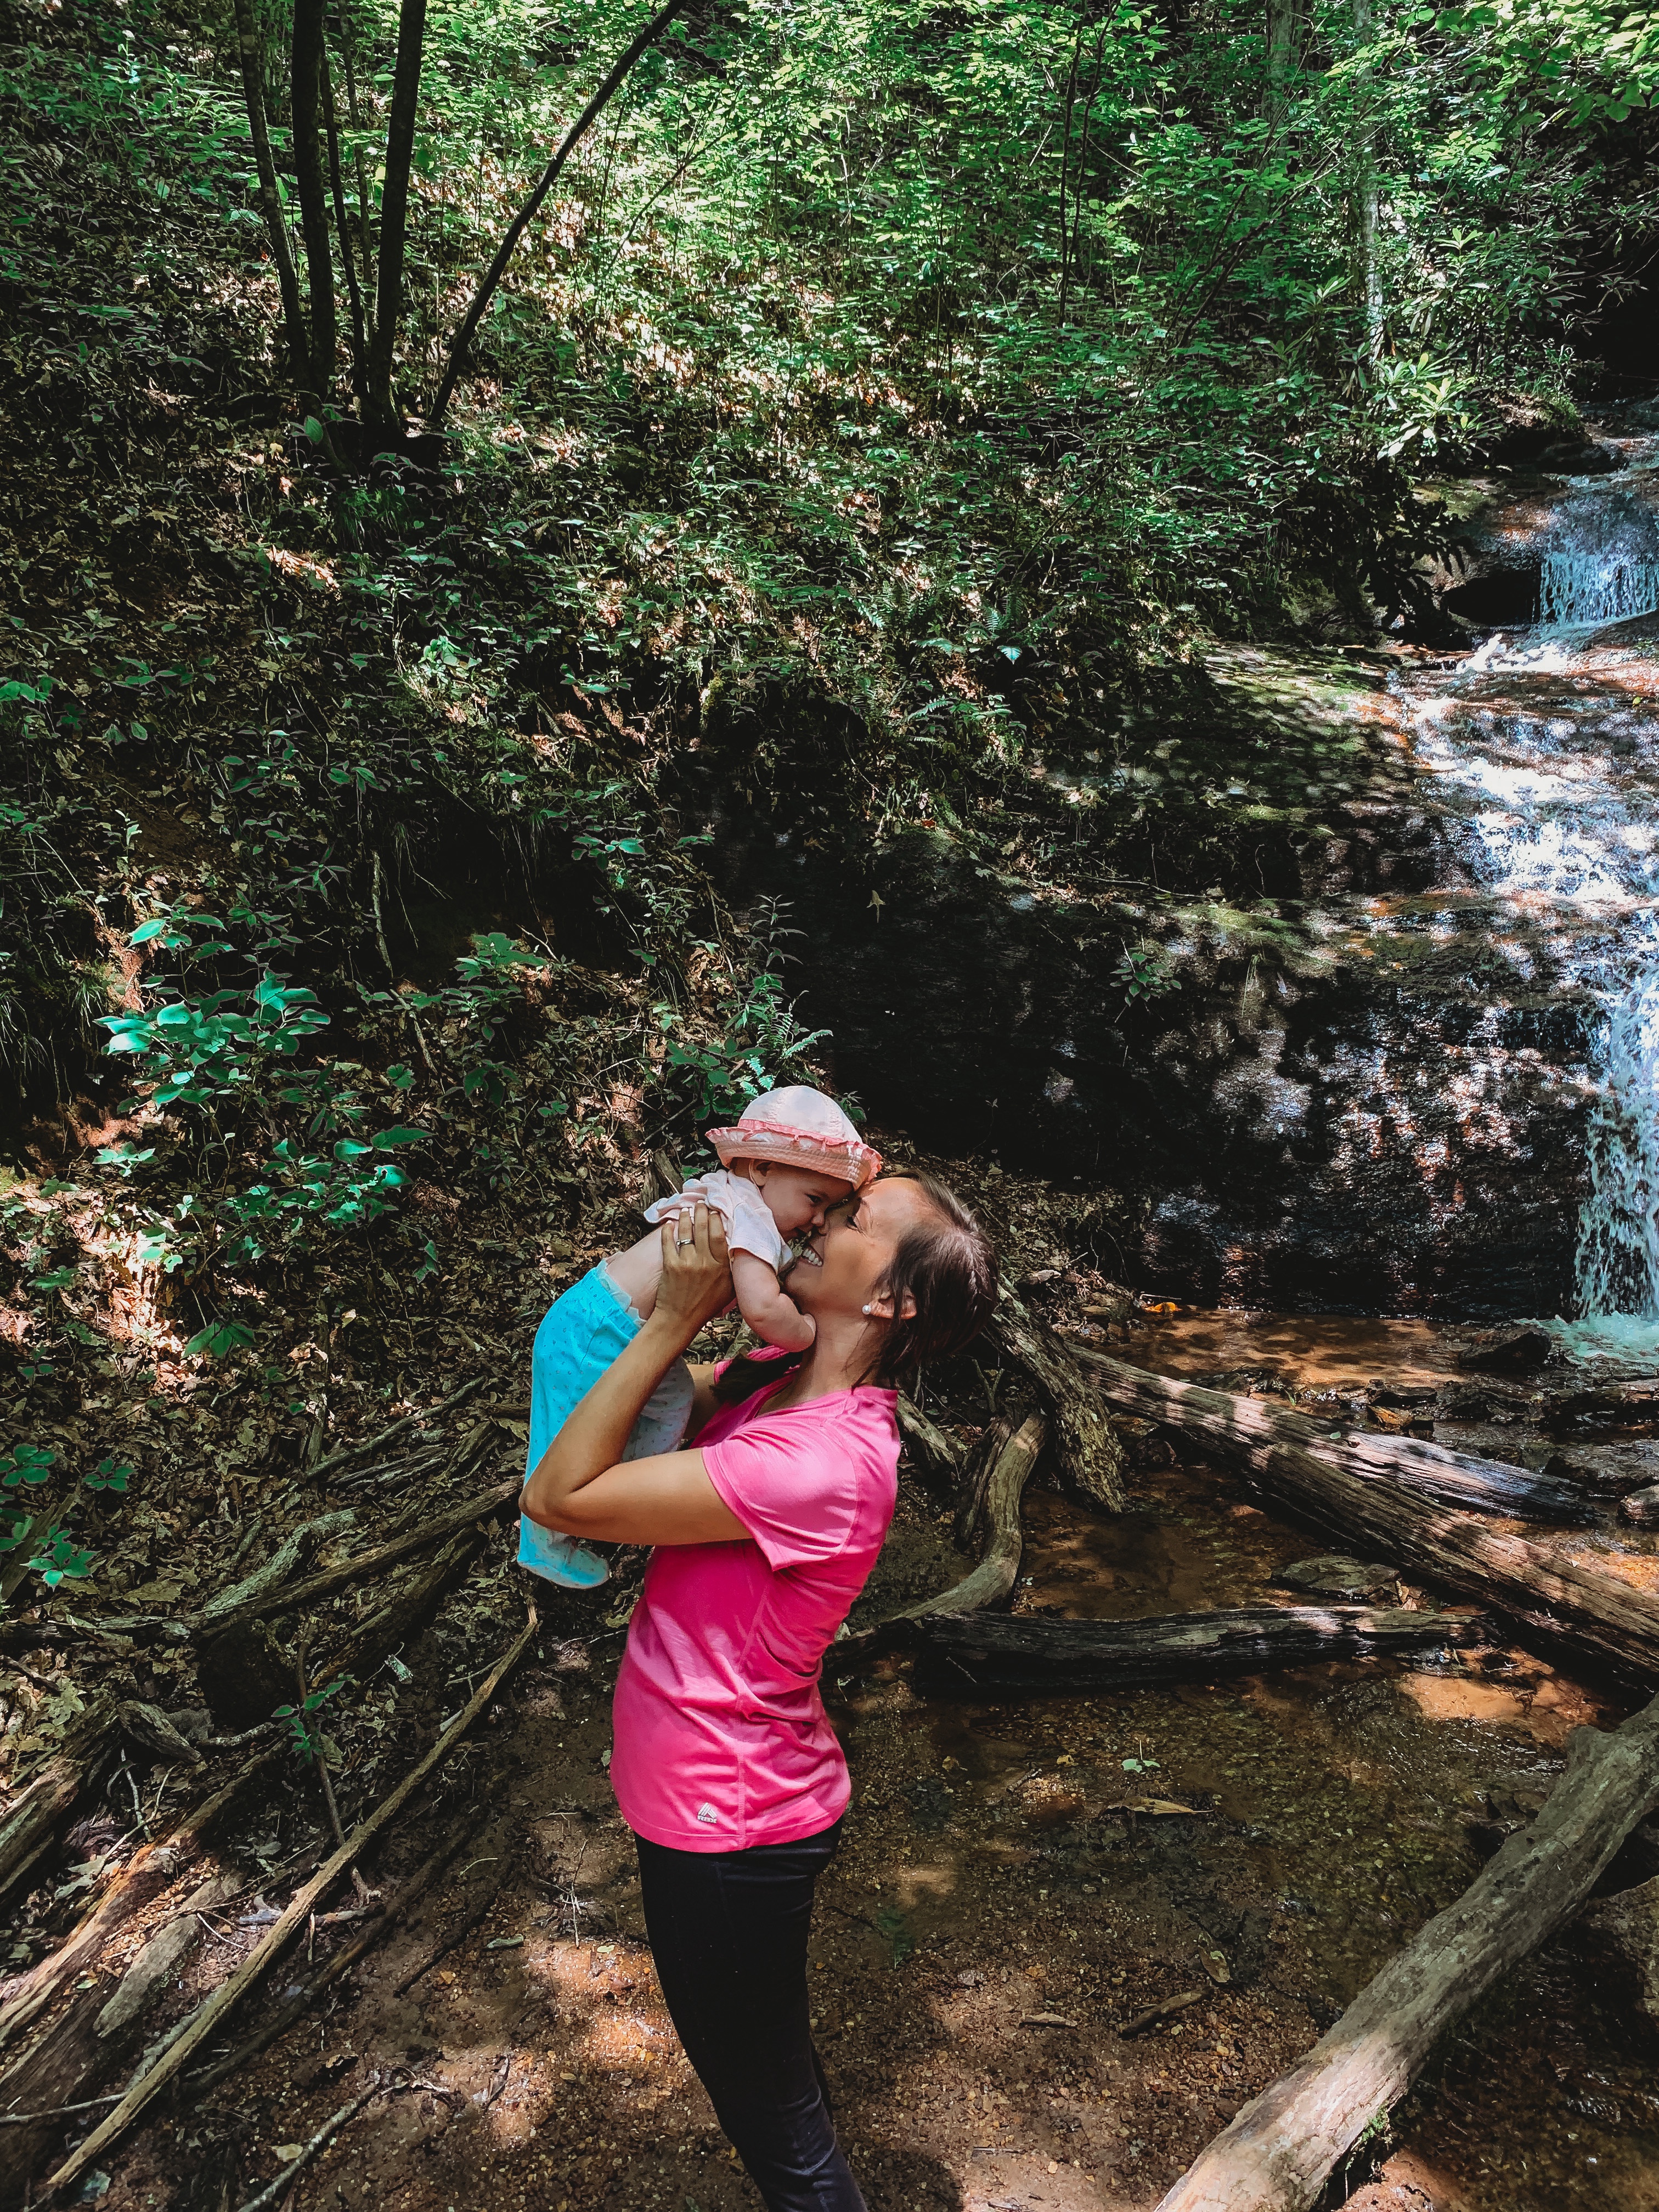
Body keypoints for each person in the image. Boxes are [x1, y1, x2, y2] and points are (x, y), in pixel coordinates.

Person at [521, 1171, 997, 2212]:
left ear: (894, 1301)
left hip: (727, 1827)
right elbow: (634, 1404)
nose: (821, 1218)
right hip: (725, 1799)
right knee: (768, 2073)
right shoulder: (770, 1372)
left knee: (774, 2130)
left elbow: (563, 1494)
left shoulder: (825, 1462)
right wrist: (669, 1281)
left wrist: (680, 1316)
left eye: (853, 1220)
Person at [517, 1086, 881, 1590]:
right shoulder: (747, 1214)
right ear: (761, 1169)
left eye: (831, 1209)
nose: (818, 1221)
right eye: (815, 1201)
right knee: (563, 1426)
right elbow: (762, 1307)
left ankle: (620, 1481)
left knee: (671, 1405)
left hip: (626, 1327)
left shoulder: (741, 1203)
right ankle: (544, 1543)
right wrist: (804, 1332)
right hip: (601, 1327)